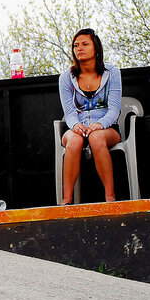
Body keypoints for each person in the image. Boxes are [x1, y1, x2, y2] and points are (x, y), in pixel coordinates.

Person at [57, 28, 123, 204]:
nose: (79, 48)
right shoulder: (66, 77)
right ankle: (67, 199)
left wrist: (100, 124)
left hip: (106, 127)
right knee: (74, 140)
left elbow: (115, 109)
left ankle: (110, 196)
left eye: (85, 44)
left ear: (96, 48)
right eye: (76, 45)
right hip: (76, 126)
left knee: (96, 138)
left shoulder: (112, 72)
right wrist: (75, 126)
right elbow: (69, 112)